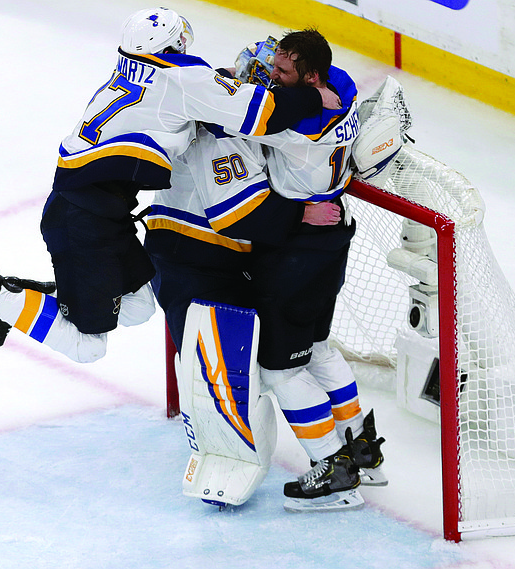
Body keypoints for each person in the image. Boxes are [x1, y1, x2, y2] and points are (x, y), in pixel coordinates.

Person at [0, 8, 340, 364]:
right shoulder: (182, 78)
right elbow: (262, 114)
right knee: (89, 346)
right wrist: (312, 100)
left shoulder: (130, 70)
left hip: (94, 211)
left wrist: (221, 83)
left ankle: (16, 302)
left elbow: (180, 99)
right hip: (86, 219)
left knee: (139, 305)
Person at [146, 30, 385, 508]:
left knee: (279, 372)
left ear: (310, 76)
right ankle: (363, 451)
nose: (272, 80)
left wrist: (225, 90)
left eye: (281, 73)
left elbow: (248, 122)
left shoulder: (292, 128)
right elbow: (297, 95)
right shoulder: (343, 91)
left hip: (295, 256)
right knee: (317, 348)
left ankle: (332, 469)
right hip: (332, 241)